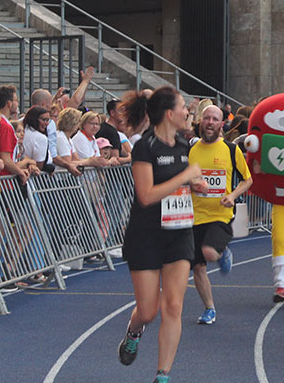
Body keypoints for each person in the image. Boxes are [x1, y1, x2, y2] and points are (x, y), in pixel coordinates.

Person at [117, 87, 206, 383]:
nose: (188, 112)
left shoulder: (183, 145)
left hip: (179, 233)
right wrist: (185, 176)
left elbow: (182, 181)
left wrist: (195, 185)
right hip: (146, 235)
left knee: (174, 306)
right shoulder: (145, 147)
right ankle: (134, 331)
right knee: (148, 310)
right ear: (170, 113)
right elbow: (145, 195)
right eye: (184, 107)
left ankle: (163, 376)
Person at [189, 105, 252, 324]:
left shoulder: (231, 149)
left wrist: (233, 195)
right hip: (194, 215)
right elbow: (181, 178)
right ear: (200, 121)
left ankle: (222, 251)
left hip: (221, 215)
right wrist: (193, 184)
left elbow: (248, 179)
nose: (209, 122)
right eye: (206, 118)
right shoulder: (191, 150)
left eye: (215, 119)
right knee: (197, 267)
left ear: (221, 124)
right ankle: (209, 308)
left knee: (208, 252)